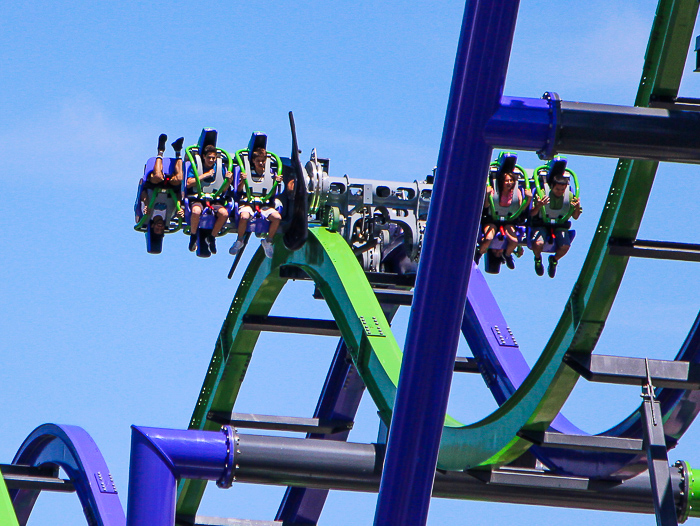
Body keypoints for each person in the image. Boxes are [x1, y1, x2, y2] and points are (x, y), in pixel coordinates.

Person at [229, 146, 283, 258]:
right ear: (253, 161)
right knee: (244, 216)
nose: (261, 163)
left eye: (263, 161)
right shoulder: (246, 172)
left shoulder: (270, 173)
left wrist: (276, 183)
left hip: (264, 204)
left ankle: (268, 241)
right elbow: (238, 191)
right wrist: (243, 181)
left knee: (277, 217)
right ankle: (240, 240)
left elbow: (273, 194)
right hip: (248, 202)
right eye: (258, 161)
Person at [475, 170, 531, 269]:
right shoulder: (494, 190)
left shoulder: (516, 192)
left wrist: (528, 198)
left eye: (511, 181)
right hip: (493, 219)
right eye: (506, 181)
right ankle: (479, 253)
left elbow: (520, 209)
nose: (509, 183)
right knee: (488, 238)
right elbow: (487, 205)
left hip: (508, 220)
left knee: (514, 241)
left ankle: (508, 255)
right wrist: (487, 195)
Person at [530, 173, 582, 277]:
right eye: (557, 189)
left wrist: (576, 207)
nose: (560, 192)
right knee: (538, 243)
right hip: (542, 223)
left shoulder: (570, 196)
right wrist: (539, 206)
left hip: (560, 224)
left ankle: (554, 260)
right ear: (552, 187)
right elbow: (532, 214)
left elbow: (576, 217)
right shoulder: (542, 194)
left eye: (562, 190)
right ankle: (537, 258)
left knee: (565, 246)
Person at [185, 144, 233, 254]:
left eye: (213, 158)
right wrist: (205, 175)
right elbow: (188, 183)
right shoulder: (196, 166)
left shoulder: (219, 168)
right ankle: (193, 236)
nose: (211, 160)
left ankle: (212, 237)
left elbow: (224, 190)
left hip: (214, 199)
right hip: (198, 198)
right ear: (203, 157)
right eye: (209, 157)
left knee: (224, 214)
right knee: (196, 211)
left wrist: (228, 181)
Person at [139, 134, 185, 235]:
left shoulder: (146, 214)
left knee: (158, 177)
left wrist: (147, 204)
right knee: (179, 178)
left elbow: (142, 194)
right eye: (162, 230)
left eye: (157, 229)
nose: (160, 227)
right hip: (171, 189)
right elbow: (177, 198)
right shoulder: (170, 216)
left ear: (152, 226)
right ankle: (178, 150)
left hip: (153, 185)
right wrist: (180, 207)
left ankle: (160, 150)